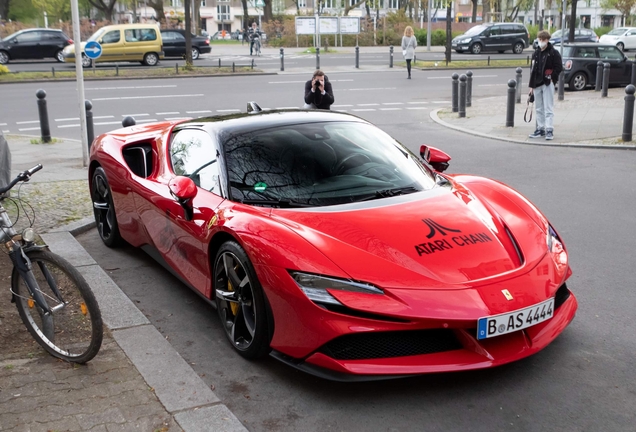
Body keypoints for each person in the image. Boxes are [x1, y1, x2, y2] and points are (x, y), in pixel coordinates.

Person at [528, 30, 563, 141]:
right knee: (539, 108)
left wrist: (552, 77)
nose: (541, 42)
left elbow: (559, 67)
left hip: (547, 83)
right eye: (539, 39)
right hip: (537, 83)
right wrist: (531, 86)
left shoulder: (553, 53)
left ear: (547, 40)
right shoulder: (536, 53)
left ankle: (549, 129)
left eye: (543, 40)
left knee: (548, 108)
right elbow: (533, 70)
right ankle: (540, 128)